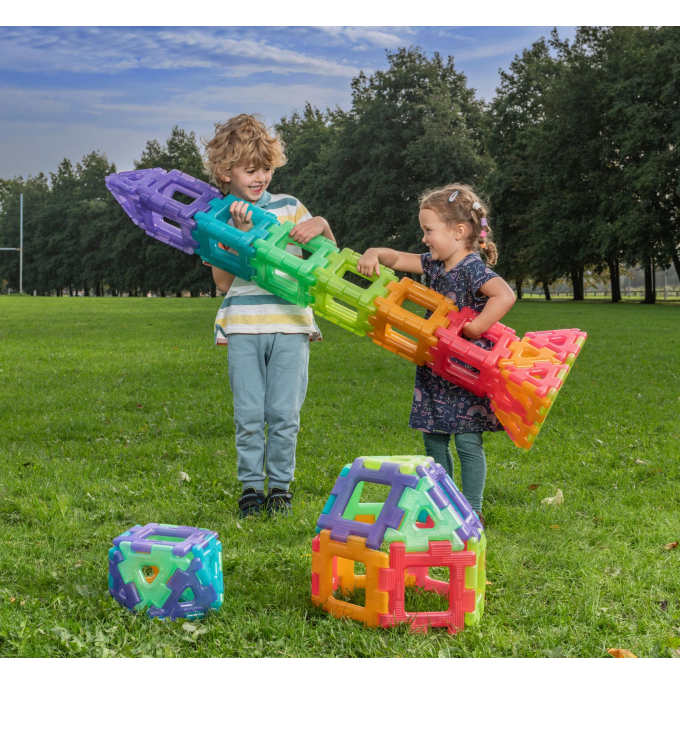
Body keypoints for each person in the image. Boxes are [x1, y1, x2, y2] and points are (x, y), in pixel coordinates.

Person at [356, 184, 516, 523]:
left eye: (429, 230)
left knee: (468, 442)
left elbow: (504, 295)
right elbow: (398, 259)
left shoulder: (472, 268)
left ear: (459, 232)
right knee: (434, 441)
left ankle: (472, 511)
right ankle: (444, 506)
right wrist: (373, 252)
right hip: (434, 367)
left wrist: (475, 329)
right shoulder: (433, 265)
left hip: (467, 372)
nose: (425, 238)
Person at [204, 114, 336, 519]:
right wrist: (239, 239)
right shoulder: (218, 216)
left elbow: (327, 260)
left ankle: (280, 488)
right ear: (226, 173)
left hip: (291, 323)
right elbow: (224, 282)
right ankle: (249, 489)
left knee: (283, 413)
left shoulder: (290, 207)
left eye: (265, 168)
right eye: (250, 170)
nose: (260, 177)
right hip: (244, 325)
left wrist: (323, 225)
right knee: (248, 414)